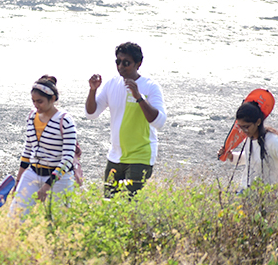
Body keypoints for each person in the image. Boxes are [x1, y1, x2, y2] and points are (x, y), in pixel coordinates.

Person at [85, 42, 167, 197]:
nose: (121, 66)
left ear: (138, 64)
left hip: (140, 156)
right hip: (115, 156)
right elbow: (92, 113)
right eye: (118, 61)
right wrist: (92, 90)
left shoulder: (150, 86)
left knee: (129, 205)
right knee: (109, 203)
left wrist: (139, 98)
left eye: (126, 63)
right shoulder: (112, 84)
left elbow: (159, 122)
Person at [11, 75, 77, 216]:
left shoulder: (65, 120)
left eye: (40, 101)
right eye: (33, 101)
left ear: (52, 99)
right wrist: (18, 181)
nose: (36, 105)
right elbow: (28, 150)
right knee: (15, 216)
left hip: (60, 179)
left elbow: (67, 158)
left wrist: (47, 185)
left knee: (59, 222)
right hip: (33, 173)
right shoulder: (31, 117)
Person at [217, 99, 278, 189]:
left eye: (246, 127)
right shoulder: (249, 138)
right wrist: (231, 156)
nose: (243, 131)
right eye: (241, 127)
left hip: (266, 196)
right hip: (246, 191)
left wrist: (276, 190)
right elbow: (250, 158)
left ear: (258, 122)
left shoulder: (273, 141)